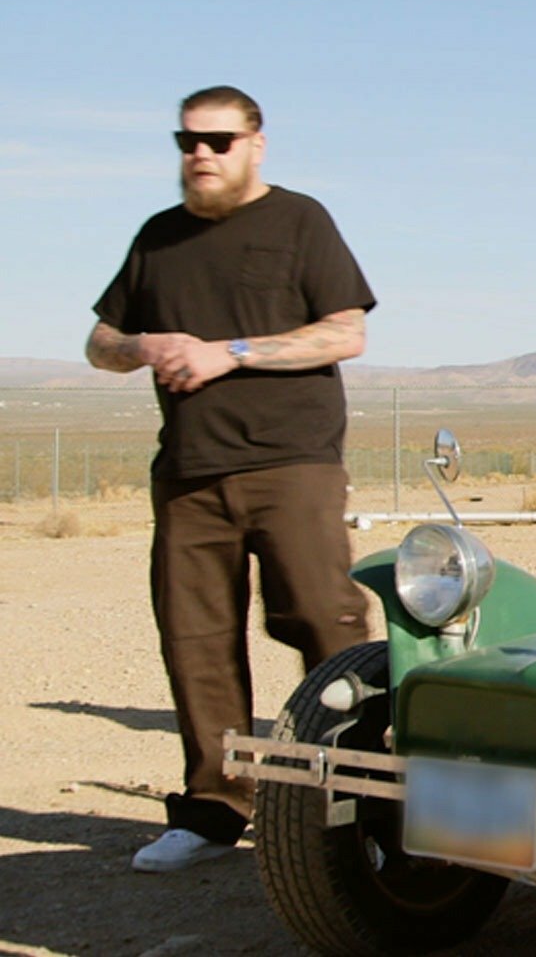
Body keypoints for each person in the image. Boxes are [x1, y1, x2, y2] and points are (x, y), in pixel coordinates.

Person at [86, 86, 377, 873]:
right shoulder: (160, 237)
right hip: (188, 473)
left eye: (217, 140)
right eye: (187, 140)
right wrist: (147, 348)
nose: (200, 155)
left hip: (293, 464)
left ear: (256, 143)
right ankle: (215, 810)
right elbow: (100, 340)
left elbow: (345, 333)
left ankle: (362, 808)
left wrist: (230, 351)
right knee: (197, 644)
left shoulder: (300, 221)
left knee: (326, 629)